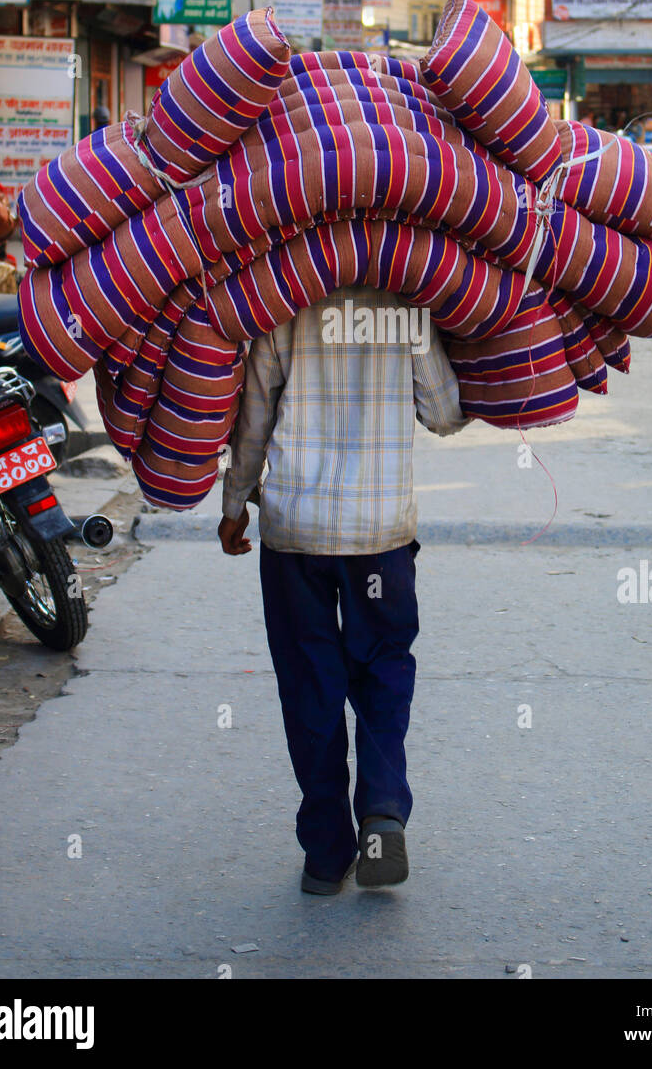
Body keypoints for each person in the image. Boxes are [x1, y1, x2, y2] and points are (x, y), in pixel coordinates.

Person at [217, 286, 469, 894]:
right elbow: (442, 414)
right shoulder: (404, 306)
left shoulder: (281, 299)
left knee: (310, 683)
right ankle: (381, 812)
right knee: (383, 670)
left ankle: (326, 856)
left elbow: (254, 419)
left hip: (295, 536)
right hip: (378, 534)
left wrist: (233, 503)